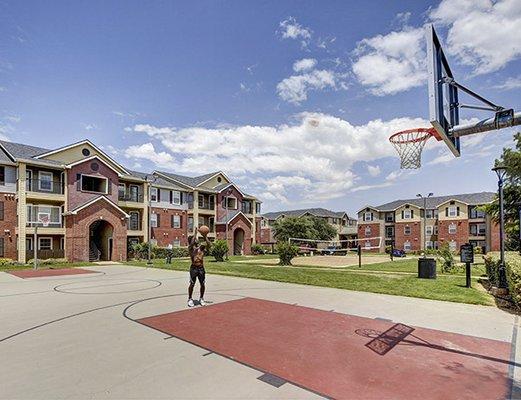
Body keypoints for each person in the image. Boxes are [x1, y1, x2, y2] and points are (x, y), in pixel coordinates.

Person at [187, 229, 211, 307]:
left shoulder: (201, 248)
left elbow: (209, 244)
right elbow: (191, 243)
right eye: (194, 239)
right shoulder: (191, 248)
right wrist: (195, 234)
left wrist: (205, 236)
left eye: (196, 238)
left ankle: (201, 298)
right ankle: (190, 299)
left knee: (202, 284)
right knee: (192, 284)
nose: (196, 239)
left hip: (201, 268)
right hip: (193, 268)